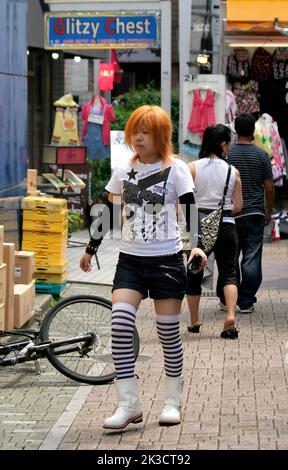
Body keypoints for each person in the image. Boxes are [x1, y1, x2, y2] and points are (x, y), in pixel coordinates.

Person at [80, 105, 207, 430]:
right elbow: (106, 211)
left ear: (161, 135)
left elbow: (191, 211)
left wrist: (199, 245)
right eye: (135, 130)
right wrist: (91, 248)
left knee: (167, 334)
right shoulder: (124, 169)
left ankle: (172, 402)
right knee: (121, 324)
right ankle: (129, 404)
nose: (138, 137)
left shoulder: (176, 169)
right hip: (130, 261)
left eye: (146, 131)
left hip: (166, 260)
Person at [186, 124, 243, 339]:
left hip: (200, 228)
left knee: (194, 273)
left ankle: (194, 321)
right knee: (229, 273)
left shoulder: (192, 167)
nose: (229, 147)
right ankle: (230, 316)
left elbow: (185, 200)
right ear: (221, 144)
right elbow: (238, 205)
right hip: (227, 225)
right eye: (228, 143)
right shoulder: (232, 171)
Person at [226, 112, 274, 313]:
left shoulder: (228, 154)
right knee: (252, 257)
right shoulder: (262, 155)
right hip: (255, 212)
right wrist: (269, 211)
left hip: (231, 213)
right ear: (253, 130)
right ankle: (245, 301)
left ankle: (228, 297)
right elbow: (270, 188)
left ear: (235, 129)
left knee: (230, 257)